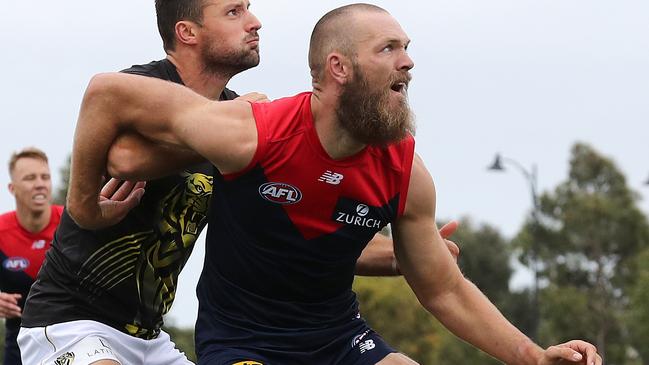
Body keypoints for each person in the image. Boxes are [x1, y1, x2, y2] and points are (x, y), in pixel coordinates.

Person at [62, 3, 603, 365]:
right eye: (388, 49)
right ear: (339, 68)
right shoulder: (253, 132)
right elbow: (108, 97)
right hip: (243, 343)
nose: (409, 62)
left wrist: (535, 356)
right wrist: (85, 206)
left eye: (407, 47)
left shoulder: (405, 173)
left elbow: (443, 288)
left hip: (338, 339)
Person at [17, 2, 430, 365]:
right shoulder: (148, 88)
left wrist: (404, 257)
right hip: (72, 319)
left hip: (147, 335)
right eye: (235, 12)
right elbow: (123, 159)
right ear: (188, 33)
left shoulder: (242, 124)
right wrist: (83, 206)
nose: (255, 22)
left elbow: (289, 231)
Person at [0, 148, 63, 365]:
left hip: (73, 343)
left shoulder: (71, 225)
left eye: (45, 177)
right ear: (12, 188)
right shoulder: (1, 233)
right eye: (30, 178)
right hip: (19, 349)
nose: (40, 184)